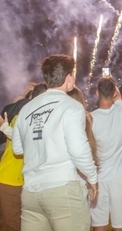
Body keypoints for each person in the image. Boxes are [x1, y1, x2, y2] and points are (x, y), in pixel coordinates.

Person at [12, 54, 98, 231]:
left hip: (30, 192)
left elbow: (18, 148)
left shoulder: (26, 109)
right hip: (62, 189)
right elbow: (78, 149)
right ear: (68, 77)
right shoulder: (71, 106)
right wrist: (92, 177)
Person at [90, 76, 122, 231]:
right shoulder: (121, 110)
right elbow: (119, 98)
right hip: (120, 178)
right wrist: (115, 90)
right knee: (120, 225)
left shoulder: (91, 119)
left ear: (97, 93)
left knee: (99, 225)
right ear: (115, 92)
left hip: (99, 179)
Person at [0, 82, 47, 231]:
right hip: (10, 179)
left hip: (21, 180)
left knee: (14, 223)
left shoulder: (29, 116)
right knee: (12, 224)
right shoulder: (25, 117)